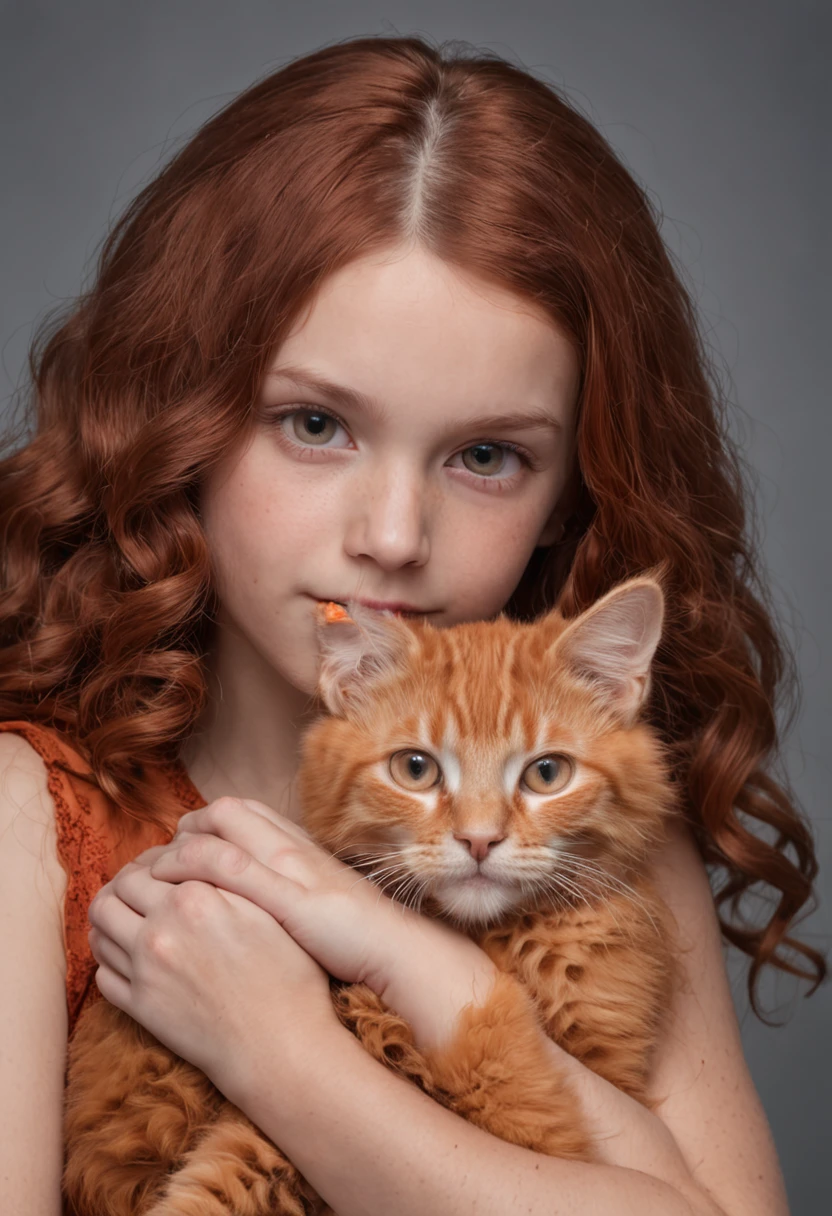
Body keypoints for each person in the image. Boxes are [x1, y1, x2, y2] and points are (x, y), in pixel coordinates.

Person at [0, 33, 823, 1216]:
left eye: (485, 454)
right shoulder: (32, 827)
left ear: (567, 500)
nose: (392, 533)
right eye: (316, 425)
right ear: (181, 417)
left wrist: (293, 1055)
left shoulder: (596, 837)